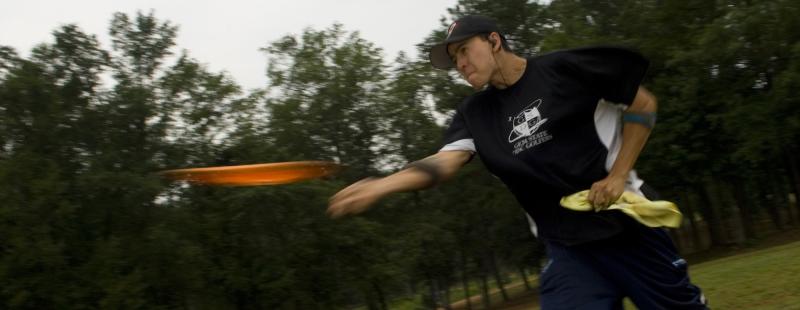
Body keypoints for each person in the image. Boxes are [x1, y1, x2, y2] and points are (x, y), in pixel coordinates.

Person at [327, 15, 707, 309]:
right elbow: (444, 163)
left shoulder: (564, 70)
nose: (459, 64)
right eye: (454, 58)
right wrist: (381, 184)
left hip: (630, 230)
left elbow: (643, 105)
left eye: (463, 50)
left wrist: (618, 175)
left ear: (493, 41)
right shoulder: (475, 114)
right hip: (570, 251)